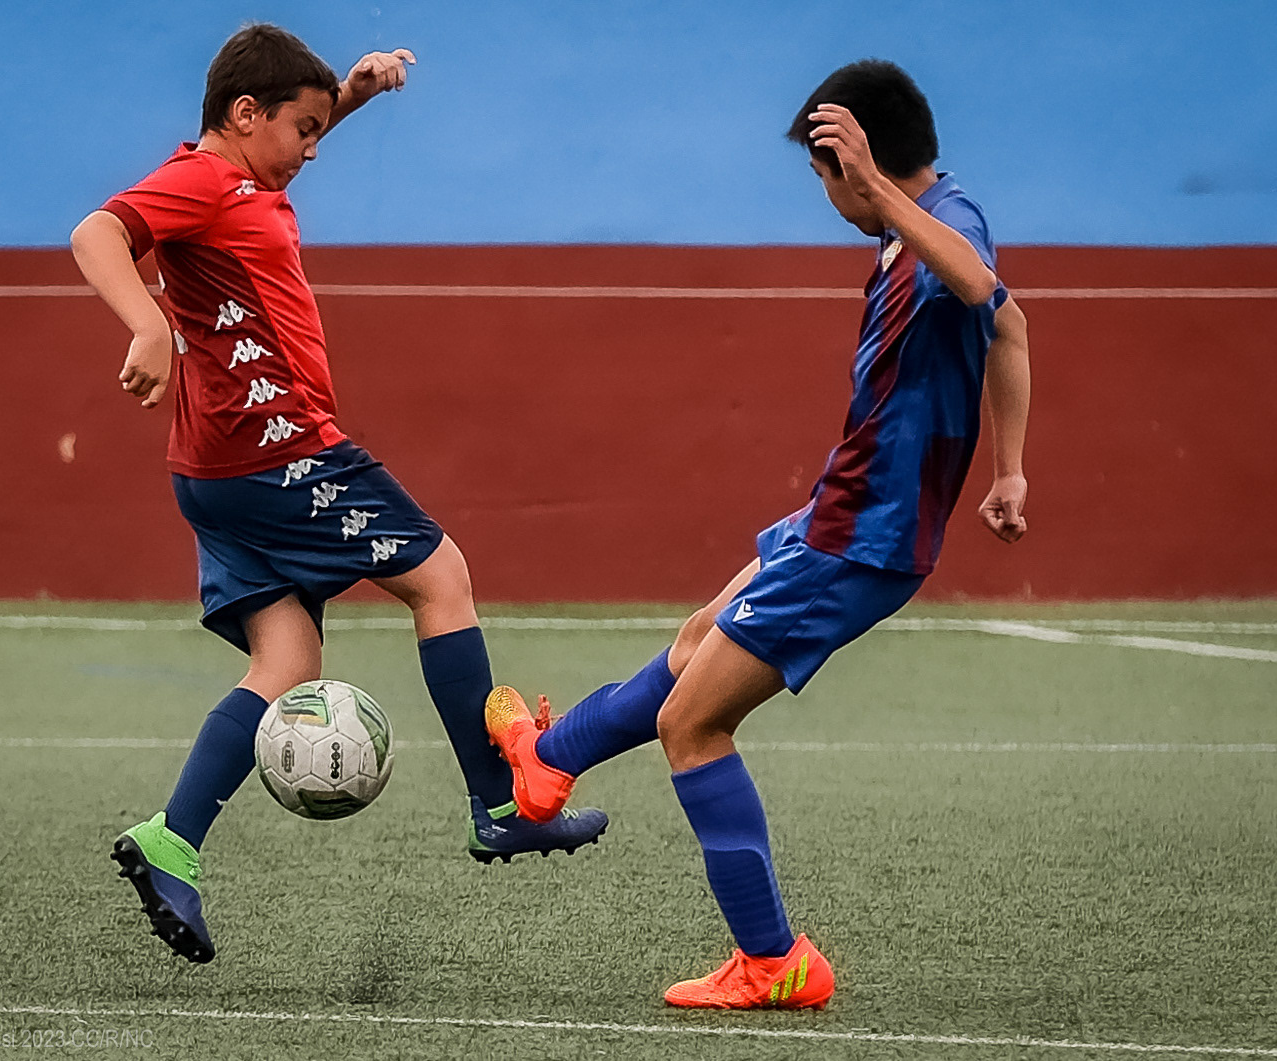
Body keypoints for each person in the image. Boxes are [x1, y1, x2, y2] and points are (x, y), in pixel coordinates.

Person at [485, 59, 1030, 1009]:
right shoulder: (930, 221)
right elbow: (1012, 328)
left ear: (856, 165)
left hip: (862, 536)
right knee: (699, 636)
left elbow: (982, 288)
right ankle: (549, 761)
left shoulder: (936, 225)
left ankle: (775, 962)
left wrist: (877, 195)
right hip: (838, 512)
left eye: (825, 176)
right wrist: (1010, 470)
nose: (826, 196)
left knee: (691, 725)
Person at [70, 23, 606, 965]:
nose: (313, 150)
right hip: (278, 452)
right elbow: (98, 231)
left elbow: (267, 158)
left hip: (215, 469)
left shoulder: (240, 181)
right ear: (245, 114)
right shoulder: (205, 180)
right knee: (441, 577)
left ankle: (170, 840)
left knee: (287, 660)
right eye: (304, 129)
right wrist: (147, 323)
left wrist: (347, 97)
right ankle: (497, 805)